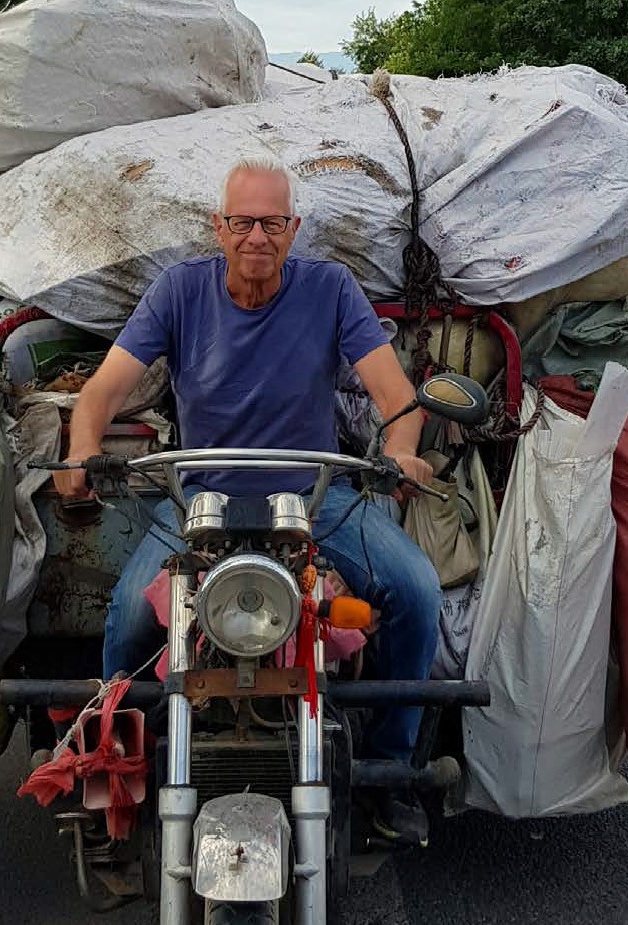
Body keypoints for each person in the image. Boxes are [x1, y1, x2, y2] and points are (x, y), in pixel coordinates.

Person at [55, 157, 441, 847]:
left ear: (294, 230)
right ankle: (111, 769)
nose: (256, 237)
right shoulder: (179, 291)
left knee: (415, 590)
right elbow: (103, 391)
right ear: (219, 227)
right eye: (241, 222)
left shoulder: (330, 289)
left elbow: (396, 397)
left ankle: (391, 767)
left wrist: (403, 447)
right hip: (199, 496)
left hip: (313, 495)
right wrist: (82, 447)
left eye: (271, 223)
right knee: (128, 620)